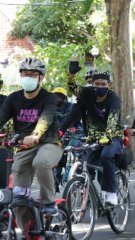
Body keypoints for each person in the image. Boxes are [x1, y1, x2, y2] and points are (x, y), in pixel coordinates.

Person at [0, 57, 63, 230]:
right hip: (24, 147)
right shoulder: (13, 98)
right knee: (18, 196)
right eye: (25, 74)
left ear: (41, 77)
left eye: (33, 74)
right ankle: (31, 231)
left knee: (41, 162)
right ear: (20, 75)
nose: (28, 77)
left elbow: (46, 118)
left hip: (49, 143)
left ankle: (49, 202)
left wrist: (35, 134)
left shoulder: (49, 98)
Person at [67, 62, 124, 206]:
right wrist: (72, 75)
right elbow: (73, 88)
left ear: (109, 85)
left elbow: (113, 119)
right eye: (96, 83)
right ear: (92, 84)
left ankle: (111, 193)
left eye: (103, 84)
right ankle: (87, 194)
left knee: (106, 155)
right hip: (93, 138)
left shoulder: (114, 99)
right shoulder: (87, 95)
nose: (99, 86)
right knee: (89, 165)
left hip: (113, 137)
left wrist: (108, 135)